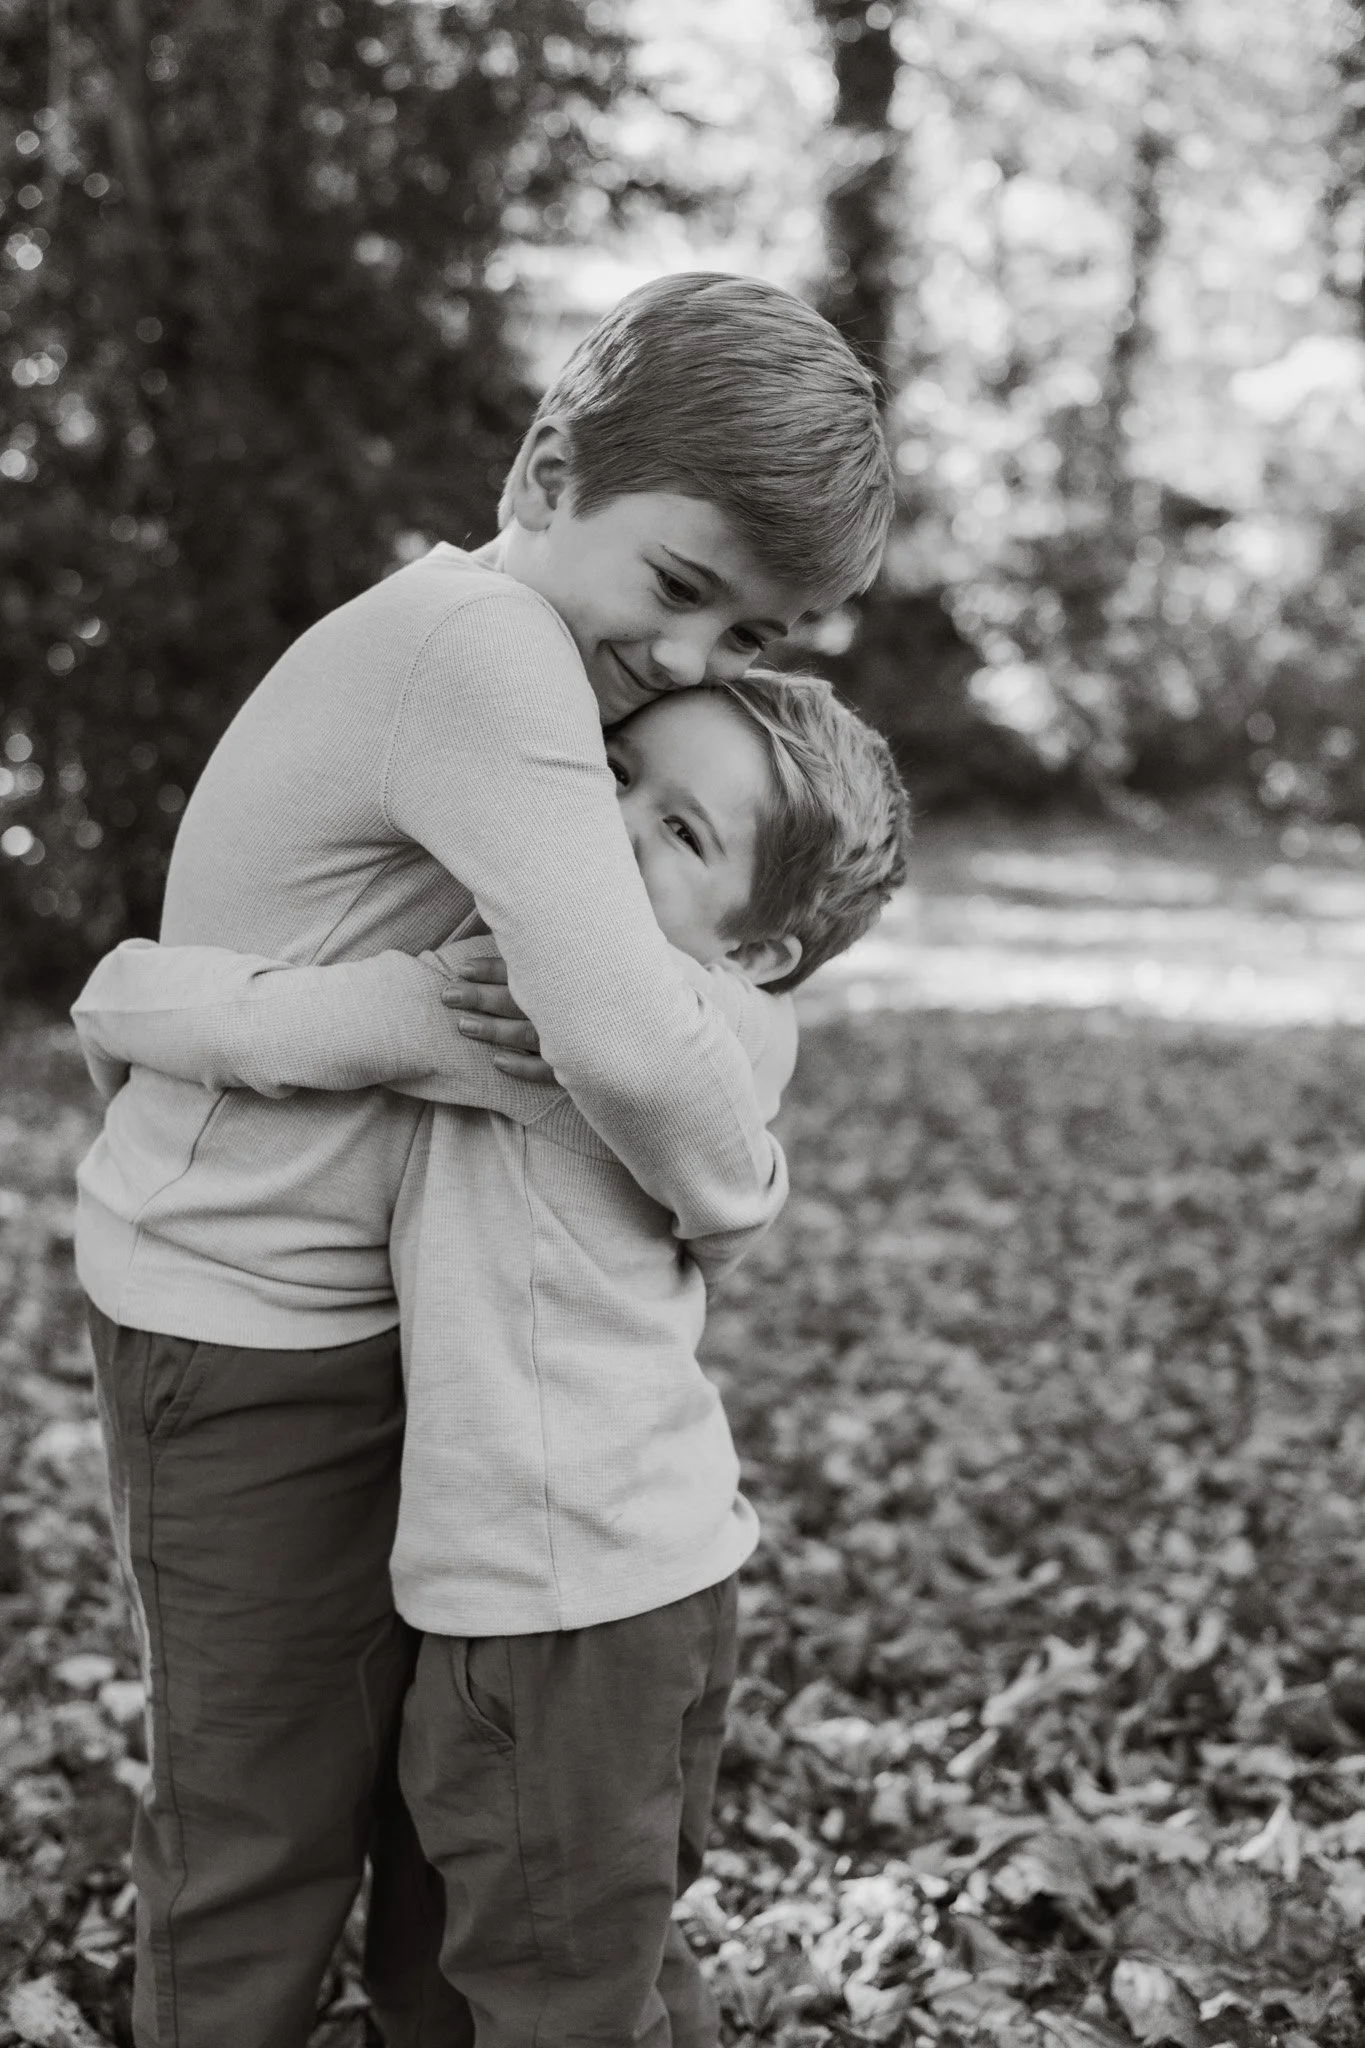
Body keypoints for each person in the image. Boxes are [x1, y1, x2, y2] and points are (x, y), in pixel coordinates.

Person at [72, 273, 895, 2048]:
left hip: (388, 1334)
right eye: (681, 589)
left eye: (747, 638)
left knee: (409, 1816)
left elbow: (679, 995)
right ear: (543, 470)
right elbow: (606, 1031)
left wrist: (164, 1000)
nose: (687, 663)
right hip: (250, 1319)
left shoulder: (569, 677)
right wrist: (734, 1189)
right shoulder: (488, 651)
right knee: (260, 1829)